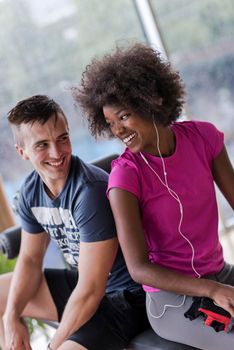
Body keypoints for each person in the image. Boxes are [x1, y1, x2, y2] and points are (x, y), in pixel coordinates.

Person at [74, 43, 234, 349]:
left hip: (219, 274)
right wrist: (212, 290)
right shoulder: (125, 177)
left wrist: (216, 285)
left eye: (123, 116)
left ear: (152, 101)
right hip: (172, 302)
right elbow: (138, 268)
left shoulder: (203, 138)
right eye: (110, 123)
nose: (118, 130)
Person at [0, 94, 149, 350]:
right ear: (22, 151)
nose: (57, 153)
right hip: (81, 284)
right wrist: (11, 316)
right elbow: (30, 260)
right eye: (42, 145)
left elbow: (92, 288)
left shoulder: (90, 191)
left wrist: (53, 345)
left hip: (124, 299)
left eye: (62, 138)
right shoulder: (30, 192)